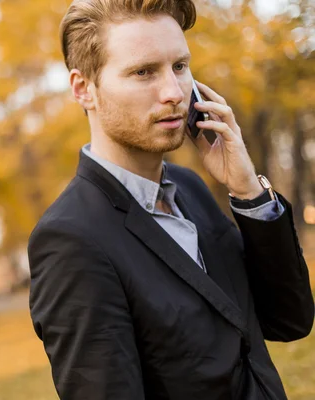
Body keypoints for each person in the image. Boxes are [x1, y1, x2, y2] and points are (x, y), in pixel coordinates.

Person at [27, 1, 314, 399]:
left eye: (179, 66)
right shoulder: (71, 241)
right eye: (143, 72)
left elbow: (289, 320)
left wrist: (247, 191)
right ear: (83, 89)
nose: (174, 92)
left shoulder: (190, 187)